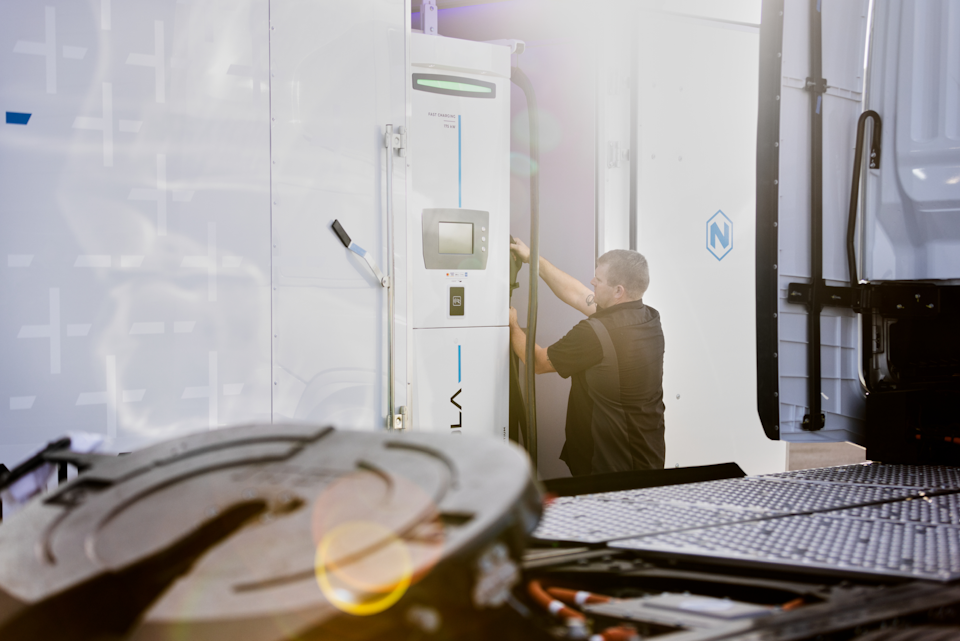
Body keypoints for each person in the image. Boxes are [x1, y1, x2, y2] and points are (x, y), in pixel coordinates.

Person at [508, 239, 665, 476]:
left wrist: (511, 326)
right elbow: (580, 295)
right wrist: (531, 257)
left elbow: (538, 363)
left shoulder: (594, 333)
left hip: (609, 468)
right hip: (647, 456)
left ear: (618, 291)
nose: (592, 283)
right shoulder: (649, 318)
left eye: (598, 280)